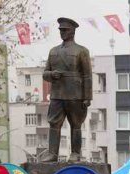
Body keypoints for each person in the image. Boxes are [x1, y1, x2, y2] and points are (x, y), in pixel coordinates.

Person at [40, 17, 91, 162]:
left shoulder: (81, 51)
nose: (62, 33)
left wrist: (87, 97)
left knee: (76, 124)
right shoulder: (53, 51)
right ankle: (52, 153)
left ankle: (75, 153)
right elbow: (45, 73)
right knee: (54, 123)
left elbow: (87, 75)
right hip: (57, 93)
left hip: (75, 94)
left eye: (65, 30)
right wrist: (51, 74)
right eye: (61, 30)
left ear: (73, 31)